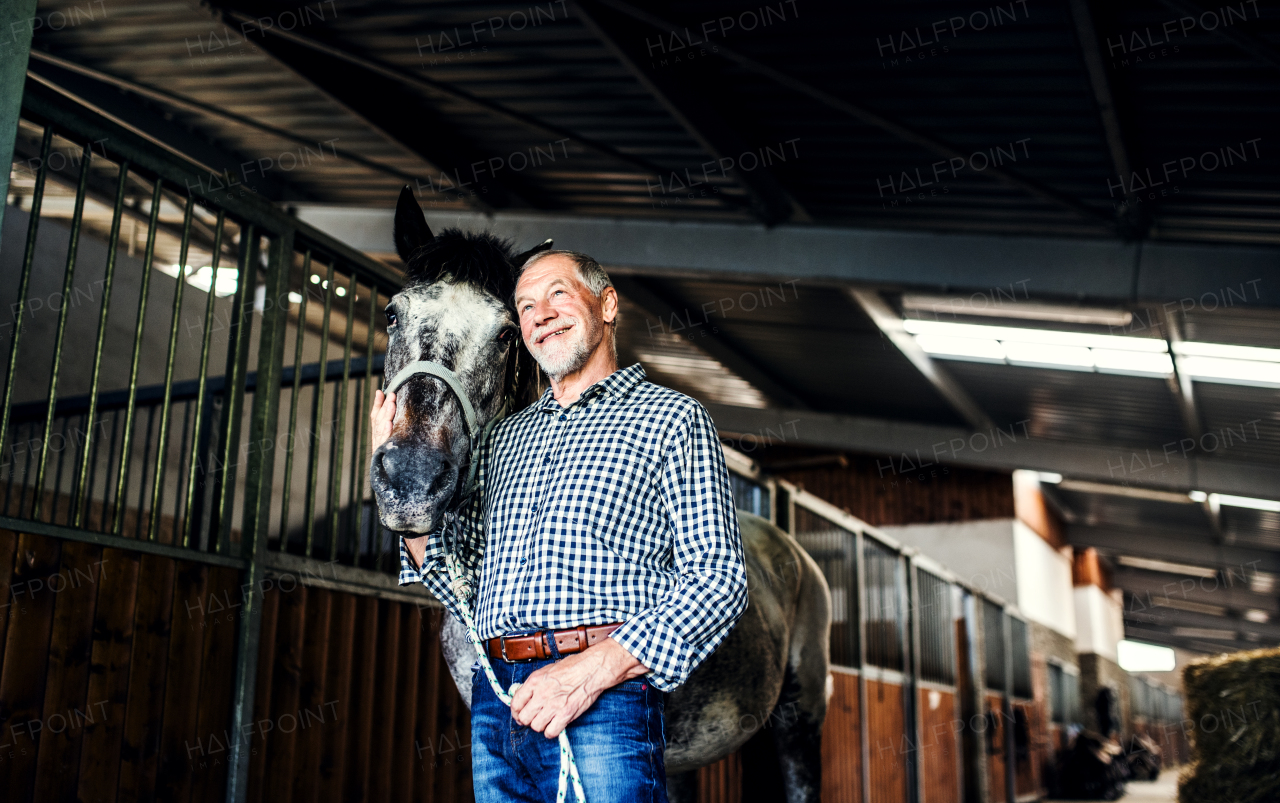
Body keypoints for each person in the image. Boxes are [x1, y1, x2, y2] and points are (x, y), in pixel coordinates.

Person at [369, 250, 748, 803]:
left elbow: (718, 579)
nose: (539, 313)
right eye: (524, 306)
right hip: (499, 701)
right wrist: (396, 475)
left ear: (608, 304)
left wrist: (587, 674)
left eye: (557, 294)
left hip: (603, 698)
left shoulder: (672, 419)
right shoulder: (504, 440)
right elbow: (459, 586)